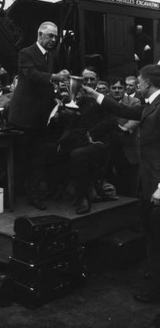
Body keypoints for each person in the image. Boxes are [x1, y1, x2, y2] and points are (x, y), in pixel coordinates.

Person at [83, 64, 160, 303]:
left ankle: (156, 288)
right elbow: (123, 109)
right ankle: (155, 271)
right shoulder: (149, 105)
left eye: (139, 81)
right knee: (151, 230)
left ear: (147, 83)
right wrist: (95, 94)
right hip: (149, 179)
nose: (136, 84)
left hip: (158, 183)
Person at [8, 21, 69, 209]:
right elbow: (32, 75)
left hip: (41, 118)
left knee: (38, 158)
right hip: (23, 118)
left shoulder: (50, 56)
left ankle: (33, 195)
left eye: (56, 36)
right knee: (21, 158)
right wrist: (55, 77)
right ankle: (12, 195)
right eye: (50, 36)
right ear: (39, 34)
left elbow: (45, 86)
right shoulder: (26, 53)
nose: (53, 40)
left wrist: (56, 100)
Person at [57, 68, 117, 214]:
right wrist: (62, 139)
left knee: (78, 154)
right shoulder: (77, 98)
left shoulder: (103, 99)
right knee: (58, 150)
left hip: (100, 144)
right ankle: (86, 190)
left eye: (92, 79)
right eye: (86, 80)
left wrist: (92, 134)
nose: (89, 82)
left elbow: (111, 121)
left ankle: (83, 198)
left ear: (97, 80)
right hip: (80, 141)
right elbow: (72, 125)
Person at [107, 76, 140, 197]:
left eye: (120, 88)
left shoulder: (134, 101)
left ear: (124, 89)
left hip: (128, 146)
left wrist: (125, 128)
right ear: (110, 89)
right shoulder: (105, 101)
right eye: (113, 88)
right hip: (108, 146)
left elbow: (135, 119)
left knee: (129, 188)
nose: (116, 90)